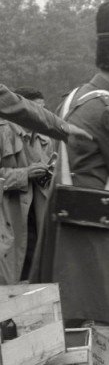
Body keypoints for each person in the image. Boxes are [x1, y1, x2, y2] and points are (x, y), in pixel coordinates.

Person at [30, 0, 109, 325]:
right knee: (103, 319)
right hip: (97, 224)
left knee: (66, 311)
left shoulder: (72, 97)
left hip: (63, 217)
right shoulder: (106, 108)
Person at [0, 87, 56, 284]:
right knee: (7, 277)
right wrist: (25, 174)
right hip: (7, 218)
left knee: (34, 276)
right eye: (35, 110)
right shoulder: (2, 132)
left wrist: (50, 173)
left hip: (37, 219)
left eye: (43, 110)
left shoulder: (45, 140)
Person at [0, 83, 90, 141]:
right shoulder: (4, 136)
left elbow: (17, 106)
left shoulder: (44, 141)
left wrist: (63, 127)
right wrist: (26, 172)